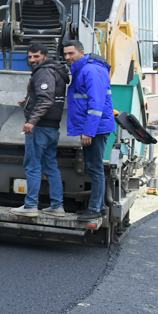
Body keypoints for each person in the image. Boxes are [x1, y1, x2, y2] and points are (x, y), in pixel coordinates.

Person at [63, 39, 116, 221]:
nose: (67, 57)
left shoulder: (90, 70)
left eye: (71, 53)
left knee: (95, 167)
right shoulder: (83, 69)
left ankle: (95, 209)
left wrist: (88, 131)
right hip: (94, 127)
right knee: (93, 167)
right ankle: (98, 207)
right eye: (65, 54)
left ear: (81, 53)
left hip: (96, 128)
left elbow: (96, 104)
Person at [17, 42, 67, 216]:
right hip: (52, 127)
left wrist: (32, 121)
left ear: (46, 56)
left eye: (36, 56)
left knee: (32, 166)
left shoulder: (44, 71)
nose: (32, 60)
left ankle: (30, 206)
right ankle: (57, 206)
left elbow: (46, 99)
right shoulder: (56, 71)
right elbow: (49, 96)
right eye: (30, 57)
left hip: (40, 128)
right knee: (50, 166)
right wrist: (28, 102)